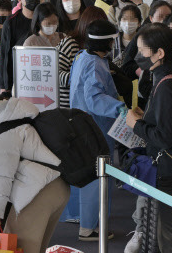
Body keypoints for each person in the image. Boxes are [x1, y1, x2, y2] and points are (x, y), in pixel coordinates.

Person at [0, 84, 70, 253]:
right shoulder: (15, 119)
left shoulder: (4, 130)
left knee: (21, 247)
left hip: (37, 191)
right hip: (55, 186)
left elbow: (2, 174)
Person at [125, 23, 172, 253]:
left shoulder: (167, 85)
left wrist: (136, 125)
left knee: (170, 238)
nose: (138, 56)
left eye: (142, 50)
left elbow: (165, 137)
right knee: (164, 234)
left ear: (159, 53)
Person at [69, 19, 125, 240]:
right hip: (95, 128)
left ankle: (85, 220)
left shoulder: (83, 57)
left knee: (87, 175)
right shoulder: (95, 64)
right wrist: (120, 108)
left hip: (82, 125)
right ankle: (89, 227)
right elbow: (95, 100)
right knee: (97, 177)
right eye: (111, 40)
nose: (113, 44)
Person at [0, 0, 41, 95]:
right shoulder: (11, 22)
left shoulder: (44, 20)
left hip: (42, 75)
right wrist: (4, 85)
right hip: (19, 76)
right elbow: (4, 54)